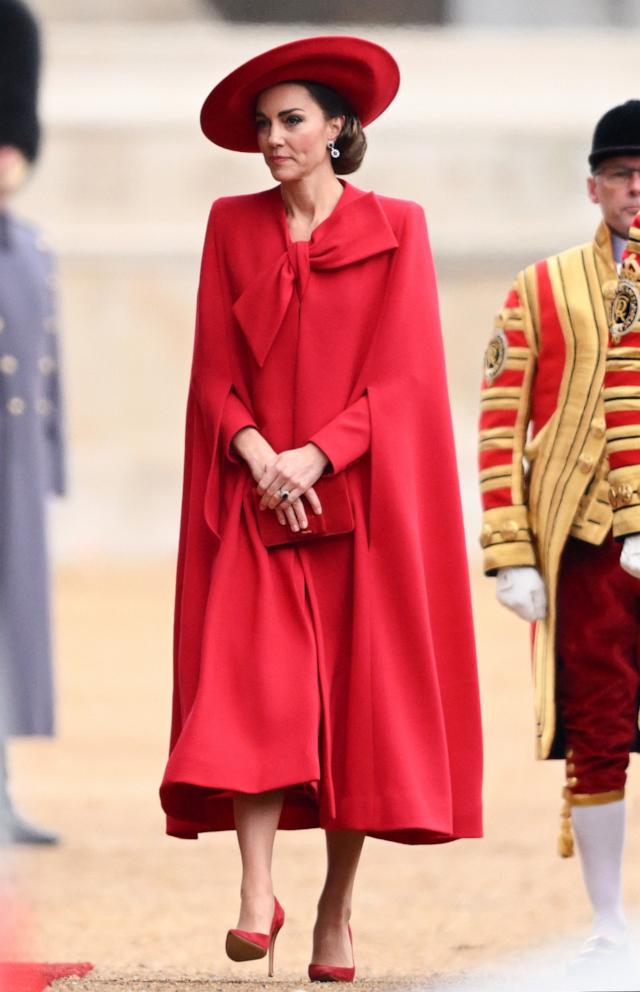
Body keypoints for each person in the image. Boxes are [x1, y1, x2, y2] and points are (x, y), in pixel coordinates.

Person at [160, 35, 482, 981]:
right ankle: (257, 892)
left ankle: (335, 911)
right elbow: (212, 371)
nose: (272, 139)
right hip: (255, 499)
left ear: (340, 127)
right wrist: (260, 454)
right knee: (248, 693)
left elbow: (409, 377)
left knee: (353, 713)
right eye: (263, 125)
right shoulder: (231, 224)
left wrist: (316, 453)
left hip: (358, 505)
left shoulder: (401, 226)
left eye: (291, 120)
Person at [478, 101, 640, 986]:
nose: (636, 189)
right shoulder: (540, 288)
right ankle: (610, 920)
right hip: (584, 542)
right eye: (621, 174)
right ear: (593, 185)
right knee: (598, 726)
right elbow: (500, 423)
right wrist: (507, 548)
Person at [0, 0, 65, 845]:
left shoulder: (30, 249)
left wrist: (48, 467)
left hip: (9, 462)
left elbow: (42, 365)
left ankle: (1, 785)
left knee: (11, 630)